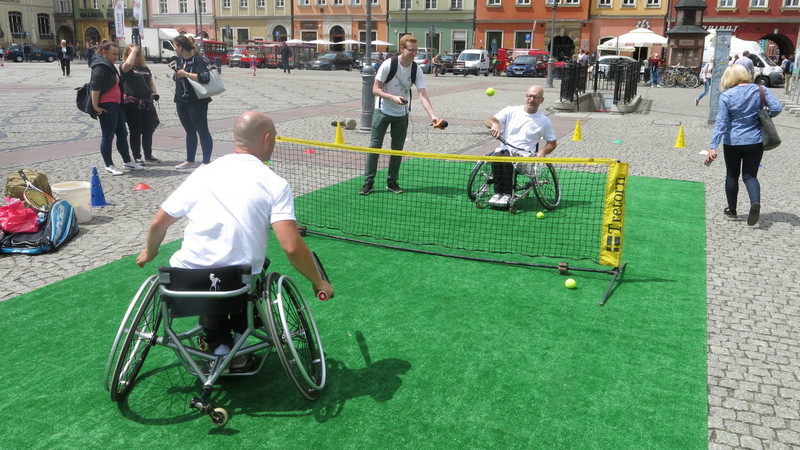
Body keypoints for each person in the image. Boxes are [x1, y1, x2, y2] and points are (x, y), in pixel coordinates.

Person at [136, 111, 334, 360]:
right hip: (236, 285)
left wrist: (150, 252)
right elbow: (291, 246)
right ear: (267, 139)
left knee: (214, 274)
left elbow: (157, 224)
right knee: (254, 270)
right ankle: (240, 335)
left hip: (183, 281)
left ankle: (218, 343)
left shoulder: (202, 173)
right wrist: (318, 282)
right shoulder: (274, 183)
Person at [360, 35, 440, 195]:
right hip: (382, 111)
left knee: (397, 149)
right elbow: (375, 89)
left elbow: (423, 94)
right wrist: (393, 98)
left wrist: (433, 116)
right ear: (402, 49)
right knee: (374, 147)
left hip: (401, 114)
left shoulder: (416, 69)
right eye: (411, 50)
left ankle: (392, 182)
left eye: (416, 50)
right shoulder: (388, 65)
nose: (414, 53)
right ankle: (368, 183)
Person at [706, 64, 782, 226]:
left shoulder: (727, 96)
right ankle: (755, 202)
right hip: (755, 140)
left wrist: (713, 146)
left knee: (732, 174)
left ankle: (731, 209)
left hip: (732, 141)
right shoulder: (760, 90)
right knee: (750, 176)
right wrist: (762, 117)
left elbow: (721, 122)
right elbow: (777, 107)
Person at [484, 85, 558, 207]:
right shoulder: (511, 111)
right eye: (529, 96)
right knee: (496, 157)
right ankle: (498, 193)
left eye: (535, 97)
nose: (531, 99)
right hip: (504, 150)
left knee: (508, 160)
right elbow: (489, 120)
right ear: (525, 96)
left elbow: (552, 143)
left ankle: (507, 194)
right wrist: (495, 124)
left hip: (525, 156)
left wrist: (543, 152)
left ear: (541, 100)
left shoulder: (544, 121)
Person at [90, 41, 142, 175]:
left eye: (117, 54)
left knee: (122, 134)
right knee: (108, 136)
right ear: (104, 52)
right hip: (107, 105)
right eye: (113, 54)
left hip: (116, 104)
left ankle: (127, 161)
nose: (116, 57)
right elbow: (95, 87)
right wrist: (96, 106)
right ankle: (109, 165)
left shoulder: (109, 66)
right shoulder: (101, 66)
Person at [172, 35, 214, 169]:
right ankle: (190, 160)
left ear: (181, 47)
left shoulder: (197, 60)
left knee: (202, 130)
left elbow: (204, 77)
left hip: (196, 101)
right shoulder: (179, 60)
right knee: (189, 131)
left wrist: (186, 74)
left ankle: (206, 161)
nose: (174, 48)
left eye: (175, 46)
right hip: (181, 101)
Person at [120, 44, 161, 165]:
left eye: (138, 55)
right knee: (135, 131)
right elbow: (127, 65)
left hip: (146, 102)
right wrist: (133, 51)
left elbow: (150, 83)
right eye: (133, 54)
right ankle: (137, 156)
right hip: (132, 103)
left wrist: (154, 92)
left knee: (149, 129)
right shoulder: (124, 67)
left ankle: (148, 154)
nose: (136, 57)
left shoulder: (145, 68)